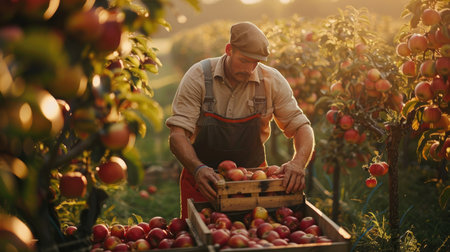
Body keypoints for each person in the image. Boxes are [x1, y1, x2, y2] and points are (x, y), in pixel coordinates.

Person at [165, 21, 315, 218]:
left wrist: (298, 163)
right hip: (203, 180)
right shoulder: (199, 76)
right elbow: (177, 135)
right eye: (244, 60)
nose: (250, 68)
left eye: (256, 62)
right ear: (229, 50)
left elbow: (301, 126)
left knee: (253, 236)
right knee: (199, 238)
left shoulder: (271, 81)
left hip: (253, 182)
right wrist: (197, 169)